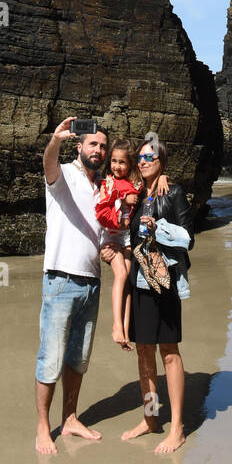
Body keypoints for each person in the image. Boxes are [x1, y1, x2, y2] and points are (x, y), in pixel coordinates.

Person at [35, 119, 110, 455]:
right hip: (61, 279)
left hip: (92, 281)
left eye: (103, 146)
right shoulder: (62, 175)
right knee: (50, 358)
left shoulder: (105, 187)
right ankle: (41, 428)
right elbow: (47, 162)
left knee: (79, 358)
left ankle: (70, 419)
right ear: (79, 147)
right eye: (92, 144)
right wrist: (55, 140)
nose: (98, 150)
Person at [122, 134, 193, 454]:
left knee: (169, 352)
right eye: (140, 158)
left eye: (150, 158)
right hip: (139, 282)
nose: (143, 162)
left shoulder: (173, 192)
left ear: (162, 161)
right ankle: (151, 418)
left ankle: (176, 427)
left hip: (164, 283)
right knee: (143, 353)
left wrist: (158, 228)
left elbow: (188, 238)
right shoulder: (137, 193)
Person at [95, 139, 141, 350]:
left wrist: (163, 178)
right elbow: (103, 214)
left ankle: (125, 330)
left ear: (130, 164)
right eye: (113, 161)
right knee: (121, 275)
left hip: (126, 239)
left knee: (128, 282)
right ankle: (115, 326)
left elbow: (153, 172)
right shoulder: (108, 184)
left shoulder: (135, 184)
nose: (117, 166)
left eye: (122, 162)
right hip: (111, 237)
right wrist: (123, 201)